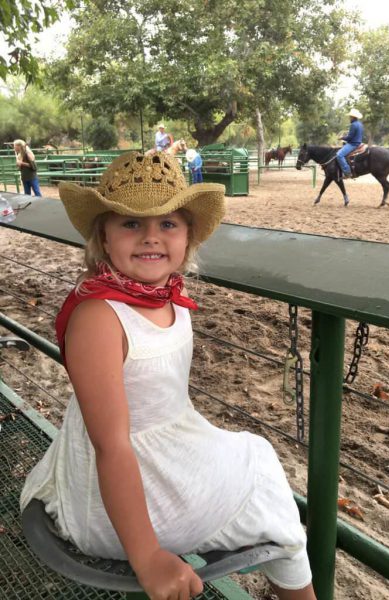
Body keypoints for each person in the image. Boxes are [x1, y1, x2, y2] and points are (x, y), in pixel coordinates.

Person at [20, 151, 316, 600]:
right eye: (131, 224)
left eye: (168, 224)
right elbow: (111, 445)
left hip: (159, 450)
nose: (150, 238)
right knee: (271, 499)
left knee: (258, 455)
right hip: (115, 499)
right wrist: (148, 557)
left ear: (188, 237)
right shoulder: (100, 318)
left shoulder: (168, 298)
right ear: (104, 233)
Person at [336, 109, 364, 179]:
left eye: (350, 117)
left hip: (353, 144)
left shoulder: (353, 125)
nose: (349, 118)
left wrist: (341, 138)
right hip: (358, 142)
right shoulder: (360, 124)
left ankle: (347, 172)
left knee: (339, 155)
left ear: (352, 117)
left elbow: (349, 137)